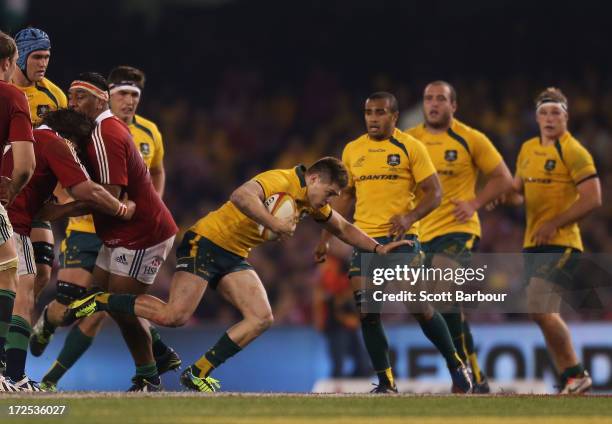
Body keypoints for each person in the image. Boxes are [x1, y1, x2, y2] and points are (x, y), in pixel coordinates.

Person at [65, 157, 410, 392]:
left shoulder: (311, 202)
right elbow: (241, 196)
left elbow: (344, 228)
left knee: (262, 317)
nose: (330, 201)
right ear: (316, 178)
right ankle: (100, 299)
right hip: (206, 241)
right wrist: (273, 222)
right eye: (330, 193)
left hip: (233, 255)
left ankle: (198, 371)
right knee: (174, 316)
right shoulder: (281, 180)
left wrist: (377, 249)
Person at [30, 66, 179, 391]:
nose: (72, 102)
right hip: (117, 233)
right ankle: (158, 360)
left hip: (141, 235)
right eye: (70, 96)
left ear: (100, 100)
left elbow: (107, 197)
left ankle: (150, 375)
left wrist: (59, 210)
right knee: (84, 300)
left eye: (79, 96)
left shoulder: (105, 135)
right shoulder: (96, 130)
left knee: (119, 305)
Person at [315, 92, 472, 393]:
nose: (373, 118)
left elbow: (434, 193)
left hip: (402, 241)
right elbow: (345, 198)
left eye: (380, 112)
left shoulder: (411, 147)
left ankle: (455, 364)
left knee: (418, 305)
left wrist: (410, 216)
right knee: (367, 313)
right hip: (364, 242)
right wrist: (325, 237)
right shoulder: (352, 150)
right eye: (368, 112)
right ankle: (386, 382)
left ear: (394, 116)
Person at [2, 109, 136, 391]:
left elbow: (56, 204)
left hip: (8, 217)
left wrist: (67, 209)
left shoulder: (23, 140)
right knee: (23, 298)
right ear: (72, 138)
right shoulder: (55, 143)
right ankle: (13, 376)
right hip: (12, 223)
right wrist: (121, 208)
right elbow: (87, 190)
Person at [406, 81, 513, 392]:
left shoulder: (470, 138)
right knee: (442, 306)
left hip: (458, 230)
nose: (434, 104)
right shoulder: (410, 141)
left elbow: (503, 179)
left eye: (441, 98)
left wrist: (475, 203)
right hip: (420, 234)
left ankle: (460, 374)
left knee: (443, 291)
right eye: (428, 98)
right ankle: (474, 376)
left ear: (454, 106)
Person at [498, 87, 600, 394]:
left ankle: (577, 373)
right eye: (544, 112)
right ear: (537, 117)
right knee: (539, 311)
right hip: (534, 243)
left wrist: (554, 223)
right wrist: (506, 196)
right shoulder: (528, 148)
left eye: (555, 112)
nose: (549, 118)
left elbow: (594, 198)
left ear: (566, 116)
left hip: (562, 241)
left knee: (541, 308)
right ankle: (571, 377)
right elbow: (518, 189)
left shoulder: (574, 151)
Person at [12, 28, 67, 298]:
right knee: (12, 272)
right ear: (20, 57)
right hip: (7, 193)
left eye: (47, 56)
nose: (43, 63)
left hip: (33, 198)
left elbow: (62, 150)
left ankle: (17, 331)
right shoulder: (5, 91)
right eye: (37, 57)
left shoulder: (55, 97)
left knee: (42, 272)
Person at [0, 31, 36, 392]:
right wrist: (11, 189)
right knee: (9, 270)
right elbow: (25, 164)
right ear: (9, 62)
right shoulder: (12, 96)